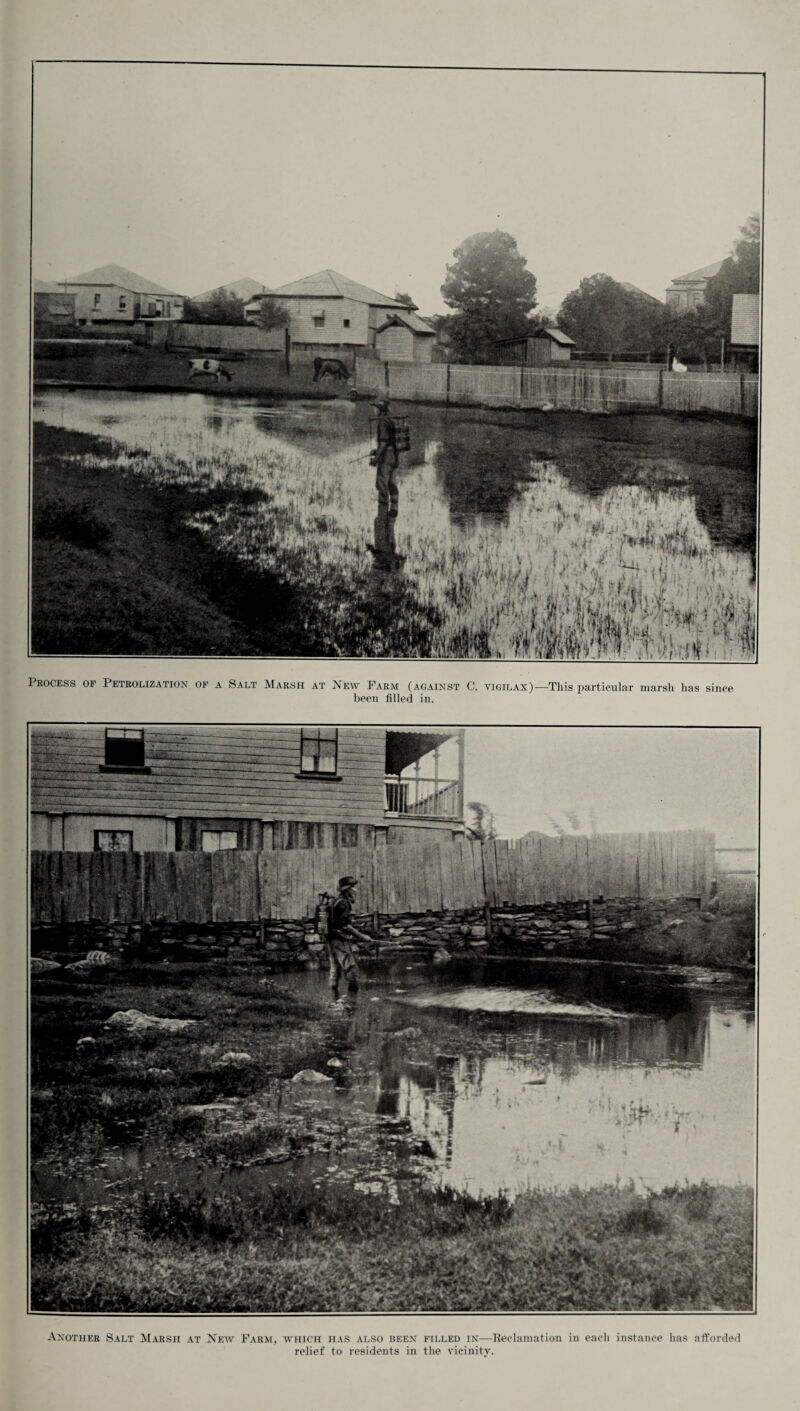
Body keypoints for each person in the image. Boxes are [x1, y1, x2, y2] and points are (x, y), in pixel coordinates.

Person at [326, 875, 372, 998]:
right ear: (347, 890)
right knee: (352, 969)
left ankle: (333, 999)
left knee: (334, 970)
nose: (355, 890)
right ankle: (352, 1003)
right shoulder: (344, 903)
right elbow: (345, 926)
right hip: (339, 940)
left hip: (330, 939)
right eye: (353, 888)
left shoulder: (335, 901)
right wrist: (362, 936)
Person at [371, 397, 399, 513]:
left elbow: (383, 442)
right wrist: (375, 451)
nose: (374, 410)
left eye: (375, 408)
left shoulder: (382, 422)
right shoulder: (390, 420)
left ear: (379, 409)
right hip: (394, 456)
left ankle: (382, 512)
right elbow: (389, 441)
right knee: (391, 483)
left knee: (382, 484)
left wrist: (376, 459)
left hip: (386, 457)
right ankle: (394, 510)